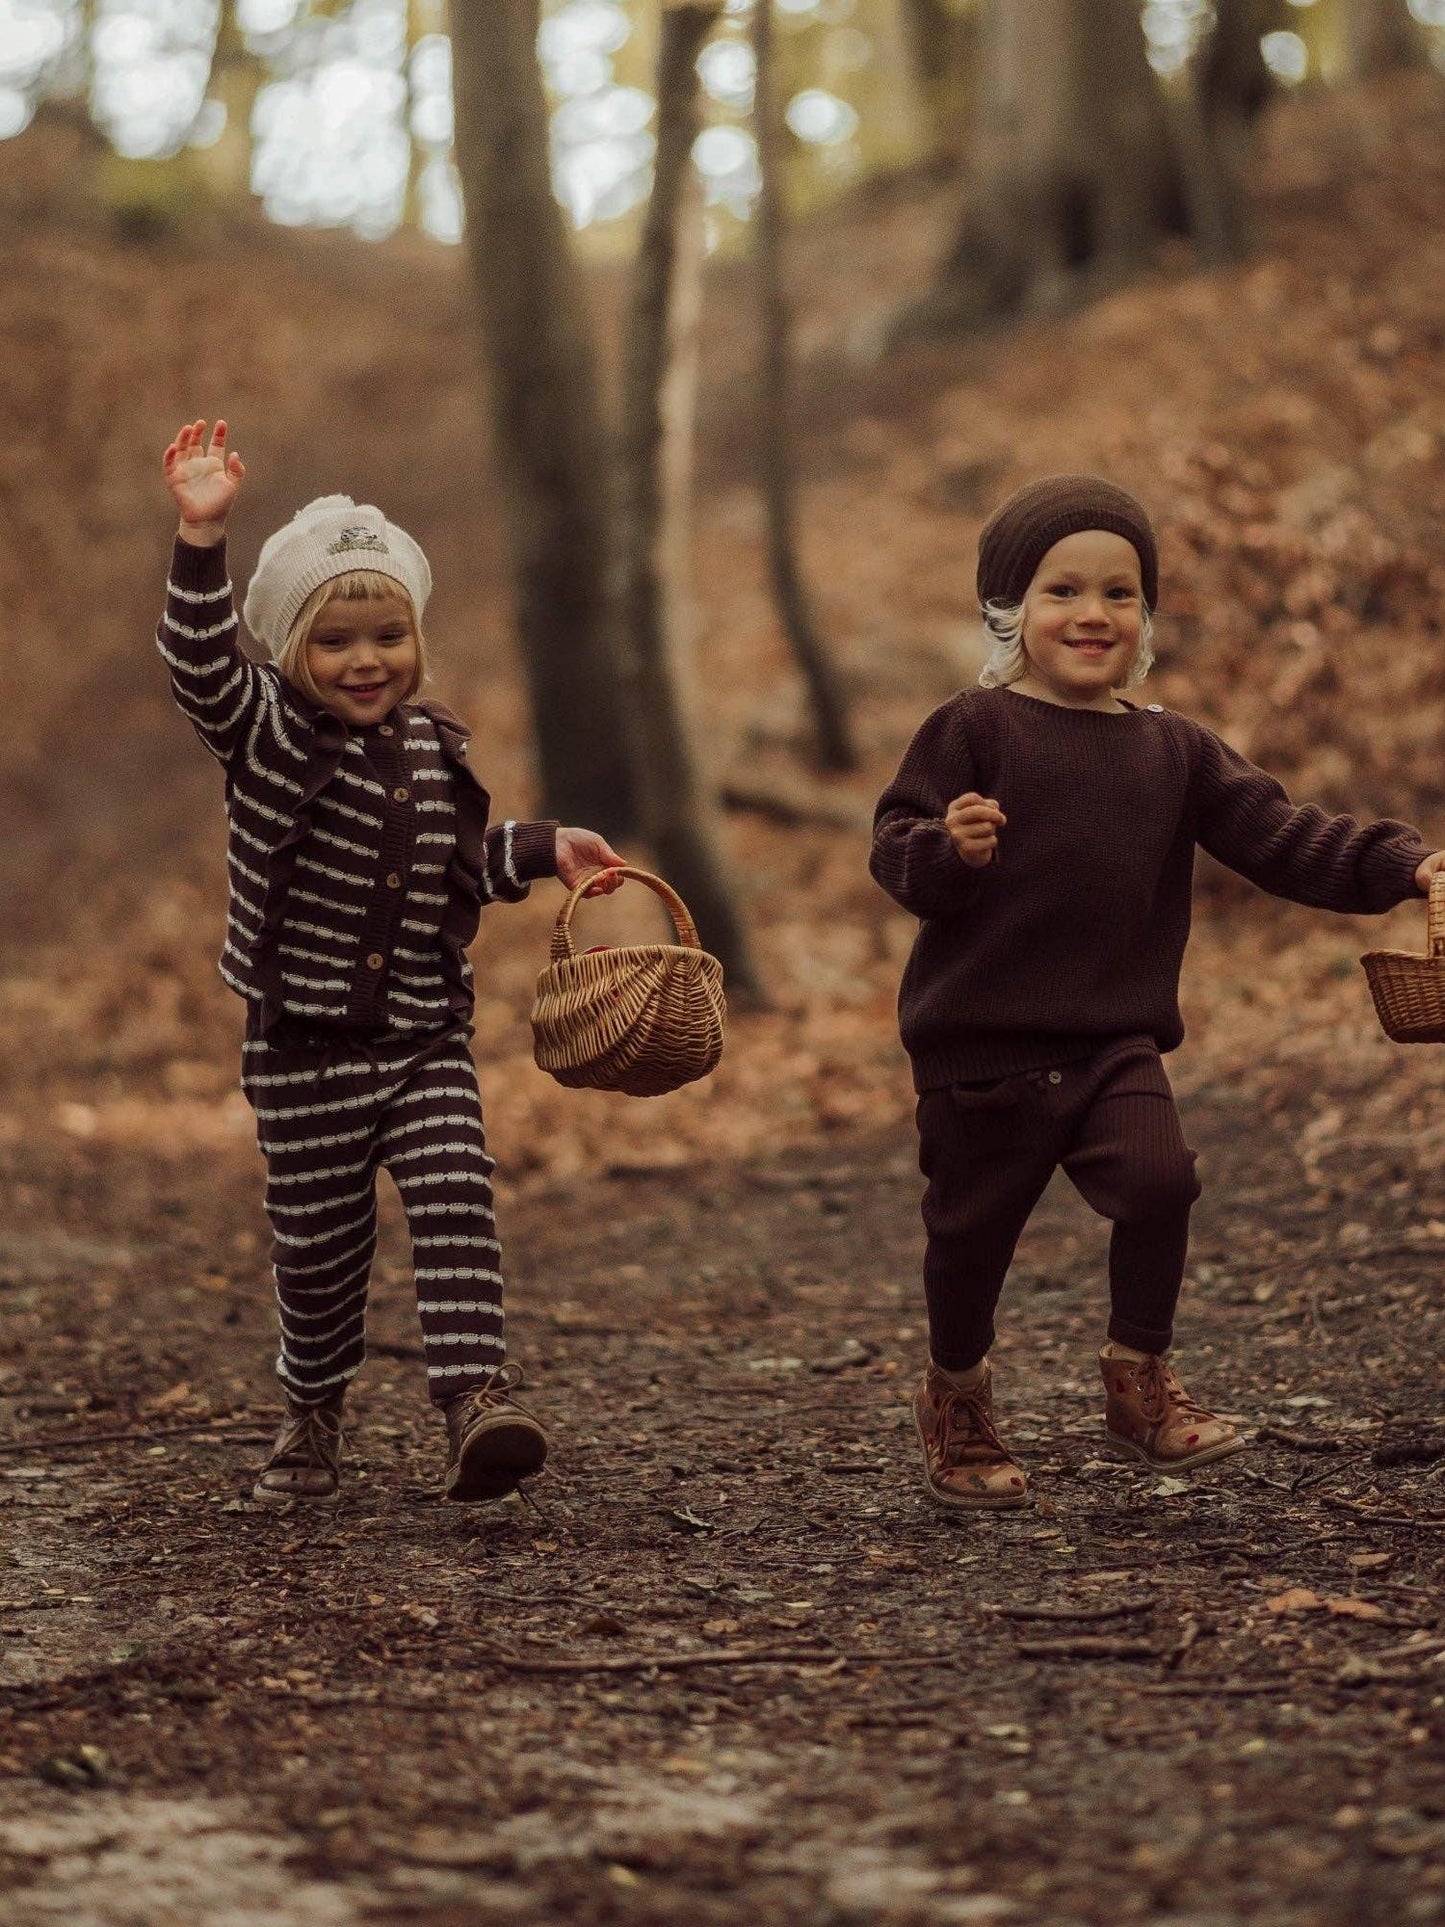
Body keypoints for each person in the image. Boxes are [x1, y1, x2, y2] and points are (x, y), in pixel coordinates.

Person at [870, 474, 1444, 1512]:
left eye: (1119, 592)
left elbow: (1281, 833)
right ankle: (956, 1395)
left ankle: (1134, 1382)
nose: (1092, 613)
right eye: (1061, 591)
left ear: (1145, 615)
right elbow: (893, 849)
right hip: (981, 1051)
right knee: (969, 1240)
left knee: (1160, 1180)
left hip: (1111, 1044)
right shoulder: (972, 728)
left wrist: (1401, 867)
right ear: (1007, 610)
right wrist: (945, 852)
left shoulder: (1171, 748)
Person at [158, 418, 624, 1507]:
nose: (366, 660)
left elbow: (459, 861)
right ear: (288, 651)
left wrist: (543, 847)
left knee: (457, 1193)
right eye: (335, 642)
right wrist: (200, 536)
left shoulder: (430, 744)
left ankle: (474, 1400)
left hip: (422, 1039)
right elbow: (197, 665)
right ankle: (310, 1416)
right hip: (305, 1051)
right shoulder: (263, 729)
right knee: (319, 1257)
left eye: (387, 636)